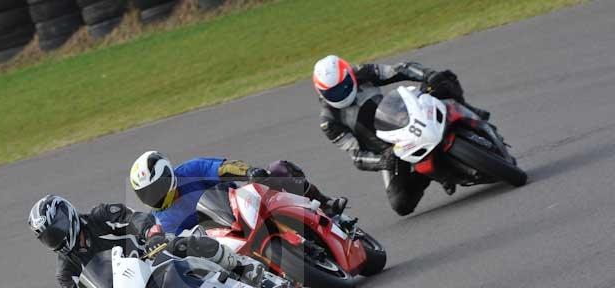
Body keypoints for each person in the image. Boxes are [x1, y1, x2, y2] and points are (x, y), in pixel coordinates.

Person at [27, 195, 245, 288]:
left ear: (68, 215)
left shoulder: (101, 216)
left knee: (183, 243)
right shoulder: (66, 272)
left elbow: (136, 218)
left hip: (152, 255)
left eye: (57, 229)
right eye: (49, 237)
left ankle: (239, 266)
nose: (57, 237)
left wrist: (151, 233)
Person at [313, 54, 492, 215]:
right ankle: (431, 172)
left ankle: (471, 115)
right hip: (391, 149)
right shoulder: (329, 122)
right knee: (401, 204)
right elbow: (357, 156)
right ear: (321, 92)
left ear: (349, 75)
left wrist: (427, 74)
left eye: (344, 85)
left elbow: (399, 70)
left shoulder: (362, 72)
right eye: (333, 92)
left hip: (406, 117)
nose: (342, 92)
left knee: (443, 78)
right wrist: (383, 160)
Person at [129, 152, 348, 235]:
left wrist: (249, 172)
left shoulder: (190, 170)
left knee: (279, 169)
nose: (153, 197)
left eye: (155, 189)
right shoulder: (162, 221)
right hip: (227, 241)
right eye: (145, 193)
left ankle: (325, 205)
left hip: (246, 204)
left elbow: (224, 167)